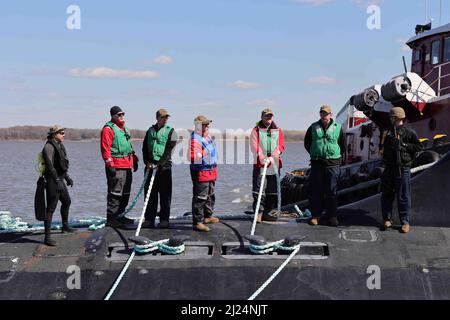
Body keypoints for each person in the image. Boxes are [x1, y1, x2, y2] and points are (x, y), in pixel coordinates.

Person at [380, 107, 423, 233]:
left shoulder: (409, 133)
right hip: (389, 168)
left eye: (392, 117)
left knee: (403, 196)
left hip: (403, 168)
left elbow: (418, 147)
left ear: (398, 118)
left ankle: (405, 222)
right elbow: (381, 149)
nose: (390, 119)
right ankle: (387, 219)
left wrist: (403, 145)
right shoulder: (387, 132)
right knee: (387, 194)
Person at [304, 105, 345, 227]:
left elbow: (342, 144)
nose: (324, 116)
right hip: (317, 164)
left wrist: (335, 156)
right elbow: (307, 143)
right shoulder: (313, 127)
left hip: (333, 164)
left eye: (326, 114)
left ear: (331, 115)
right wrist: (315, 152)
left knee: (332, 191)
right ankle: (315, 216)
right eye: (322, 113)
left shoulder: (338, 128)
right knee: (316, 191)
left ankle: (332, 216)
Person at [101, 106, 139, 228]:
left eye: (123, 114)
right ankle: (111, 218)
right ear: (113, 116)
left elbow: (128, 145)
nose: (121, 116)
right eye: (119, 114)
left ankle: (121, 215)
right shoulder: (108, 129)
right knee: (115, 192)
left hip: (127, 164)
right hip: (116, 166)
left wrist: (134, 159)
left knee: (126, 192)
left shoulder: (124, 129)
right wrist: (109, 164)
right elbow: (105, 148)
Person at [141, 109, 178, 229]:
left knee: (165, 195)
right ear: (157, 118)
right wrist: (147, 162)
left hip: (164, 167)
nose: (165, 119)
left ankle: (164, 219)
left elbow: (169, 149)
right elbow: (144, 148)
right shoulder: (149, 131)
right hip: (150, 166)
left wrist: (160, 164)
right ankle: (149, 219)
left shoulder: (171, 132)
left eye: (167, 117)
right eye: (163, 117)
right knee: (150, 194)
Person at [250, 108, 285, 222]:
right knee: (259, 189)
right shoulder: (255, 131)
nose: (268, 118)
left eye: (270, 116)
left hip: (274, 164)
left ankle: (267, 212)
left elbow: (280, 146)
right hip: (261, 165)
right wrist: (262, 158)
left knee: (272, 191)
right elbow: (254, 146)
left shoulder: (278, 131)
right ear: (262, 117)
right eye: (266, 116)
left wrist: (273, 156)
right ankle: (258, 213)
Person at [41, 125, 74, 246]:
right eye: (61, 133)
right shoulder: (49, 146)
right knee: (50, 209)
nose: (64, 134)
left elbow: (61, 166)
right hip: (51, 179)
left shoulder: (60, 145)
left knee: (67, 201)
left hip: (59, 178)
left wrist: (67, 178)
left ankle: (65, 226)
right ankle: (47, 237)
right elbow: (50, 166)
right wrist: (57, 181)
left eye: (64, 132)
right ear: (54, 134)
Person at [189, 115, 219, 232]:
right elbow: (193, 156)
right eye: (205, 124)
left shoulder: (207, 137)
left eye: (208, 124)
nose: (208, 126)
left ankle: (208, 216)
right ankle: (197, 221)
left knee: (211, 195)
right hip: (201, 171)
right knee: (200, 197)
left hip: (211, 170)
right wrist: (204, 152)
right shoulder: (195, 138)